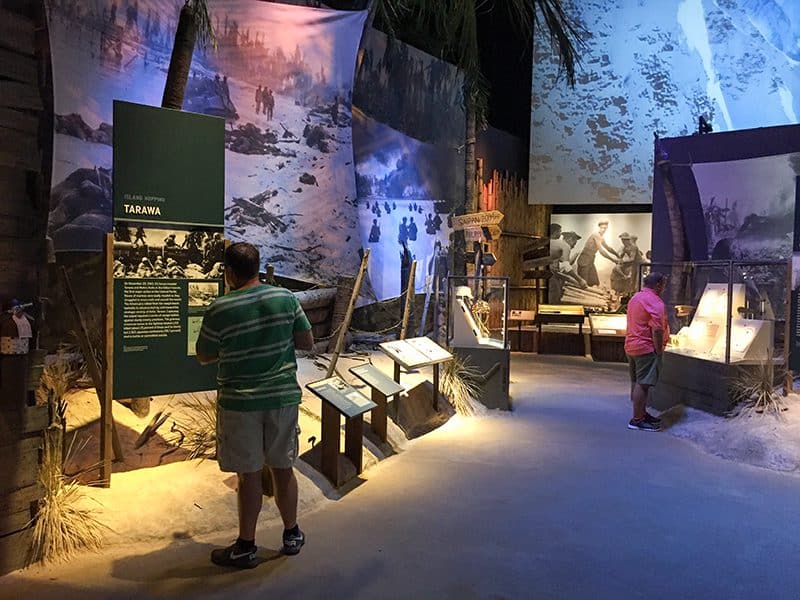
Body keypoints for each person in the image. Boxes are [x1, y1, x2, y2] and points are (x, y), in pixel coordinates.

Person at [196, 242, 313, 569]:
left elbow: (204, 354)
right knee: (283, 468)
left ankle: (246, 546)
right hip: (281, 398)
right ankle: (291, 534)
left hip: (240, 403)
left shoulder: (220, 308)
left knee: (248, 476)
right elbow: (306, 341)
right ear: (259, 267)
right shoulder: (286, 299)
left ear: (230, 273)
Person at [624, 271, 670, 432]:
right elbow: (657, 329)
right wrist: (658, 350)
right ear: (658, 285)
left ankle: (641, 414)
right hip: (645, 348)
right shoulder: (655, 302)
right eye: (664, 284)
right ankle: (637, 420)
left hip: (632, 345)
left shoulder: (636, 297)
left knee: (638, 382)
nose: (665, 287)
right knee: (643, 385)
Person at [576, 221, 620, 287]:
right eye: (602, 228)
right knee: (583, 282)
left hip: (590, 260)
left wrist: (617, 255)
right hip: (584, 259)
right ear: (599, 227)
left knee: (594, 282)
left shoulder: (601, 238)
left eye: (605, 228)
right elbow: (601, 251)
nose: (603, 230)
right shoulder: (596, 235)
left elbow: (608, 248)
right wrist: (613, 260)